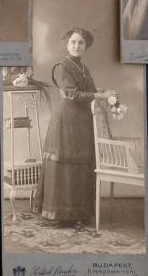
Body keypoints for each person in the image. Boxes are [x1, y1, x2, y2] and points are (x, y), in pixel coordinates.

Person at [34, 28, 112, 226]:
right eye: (73, 42)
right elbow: (73, 94)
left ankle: (78, 213)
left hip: (83, 120)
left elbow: (89, 91)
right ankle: (60, 215)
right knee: (65, 165)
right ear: (67, 45)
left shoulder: (84, 68)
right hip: (66, 119)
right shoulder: (61, 67)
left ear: (86, 47)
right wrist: (100, 96)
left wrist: (103, 92)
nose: (77, 46)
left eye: (81, 43)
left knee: (82, 164)